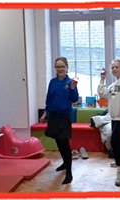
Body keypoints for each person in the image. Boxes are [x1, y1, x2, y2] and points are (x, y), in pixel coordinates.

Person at [40, 57, 79, 185]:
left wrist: (73, 88)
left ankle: (69, 173)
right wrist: (45, 113)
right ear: (55, 68)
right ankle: (64, 163)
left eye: (62, 66)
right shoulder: (52, 82)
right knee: (58, 142)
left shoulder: (70, 82)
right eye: (57, 67)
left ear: (67, 67)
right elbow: (49, 99)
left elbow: (74, 99)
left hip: (64, 116)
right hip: (54, 116)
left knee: (64, 143)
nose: (60, 69)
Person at [97, 59, 120, 186]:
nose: (114, 69)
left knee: (113, 139)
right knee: (117, 139)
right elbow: (102, 93)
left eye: (117, 67)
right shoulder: (112, 85)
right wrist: (102, 79)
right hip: (114, 116)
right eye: (112, 68)